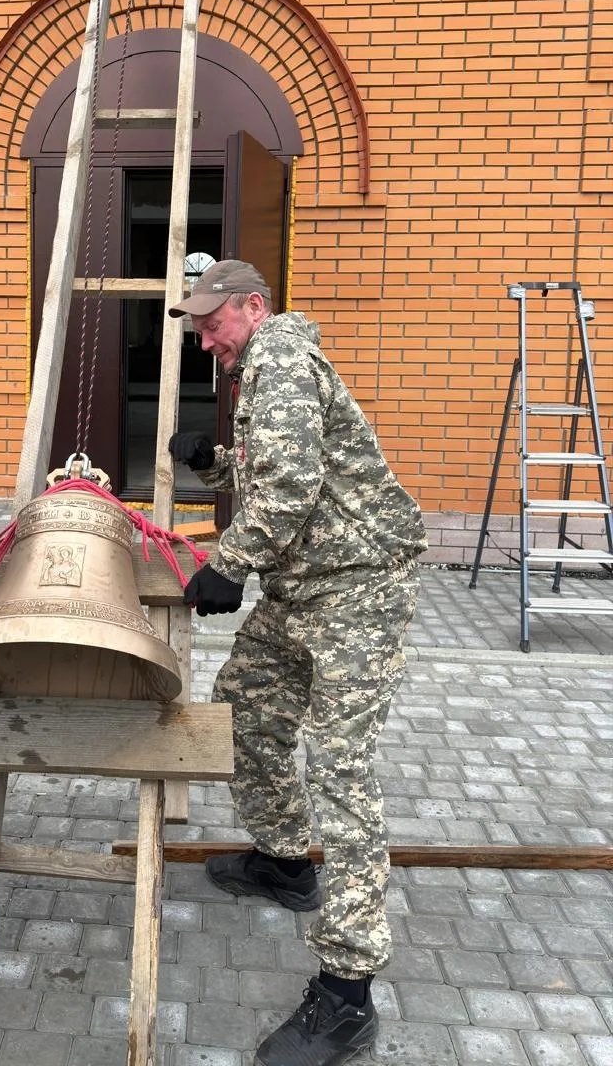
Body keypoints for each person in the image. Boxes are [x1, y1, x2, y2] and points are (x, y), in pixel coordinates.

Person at [168, 260, 427, 1066]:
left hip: (357, 588)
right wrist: (213, 462)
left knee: (342, 769)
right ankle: (284, 861)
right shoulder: (260, 369)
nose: (205, 339)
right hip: (304, 585)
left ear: (254, 305)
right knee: (242, 708)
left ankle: (348, 993)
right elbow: (280, 473)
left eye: (213, 322)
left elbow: (290, 486)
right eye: (199, 328)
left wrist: (229, 563)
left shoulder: (279, 354)